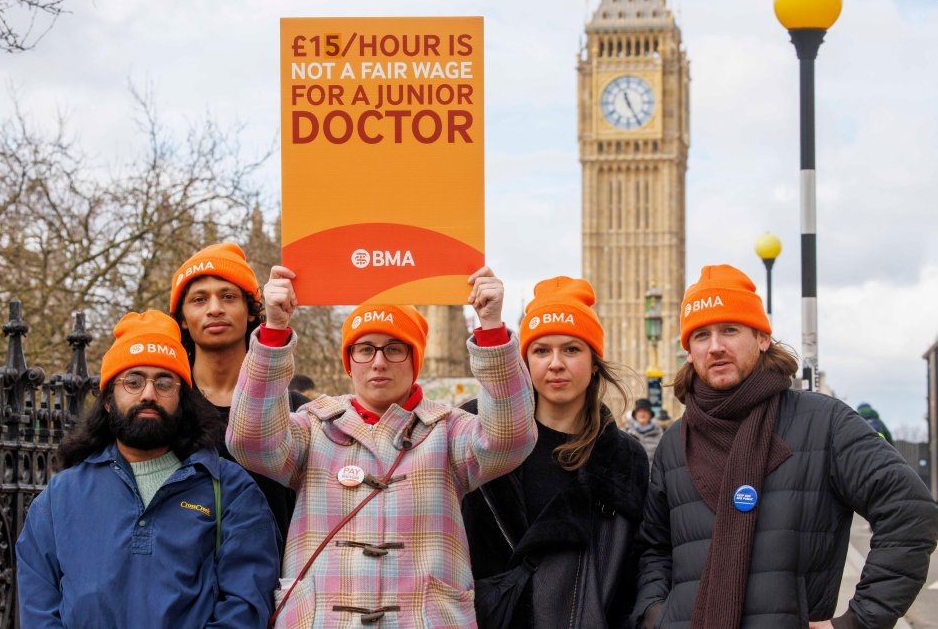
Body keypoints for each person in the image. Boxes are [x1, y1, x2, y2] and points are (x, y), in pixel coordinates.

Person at [226, 265, 537, 627]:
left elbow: (511, 438)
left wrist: (492, 331)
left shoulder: (450, 431)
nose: (378, 362)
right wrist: (274, 333)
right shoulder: (312, 429)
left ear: (415, 360)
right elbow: (249, 440)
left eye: (394, 349)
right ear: (348, 362)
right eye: (365, 349)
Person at [634, 265, 938, 629]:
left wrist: (858, 622)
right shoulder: (674, 443)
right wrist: (655, 614)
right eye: (701, 335)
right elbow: (654, 548)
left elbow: (910, 513)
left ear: (762, 338)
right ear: (689, 351)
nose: (715, 346)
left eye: (730, 329)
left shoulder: (823, 422)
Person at [16, 310, 279, 627]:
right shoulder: (61, 497)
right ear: (109, 400)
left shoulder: (230, 490)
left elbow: (246, 606)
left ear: (182, 400)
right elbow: (39, 609)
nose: (149, 394)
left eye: (165, 382)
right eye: (133, 381)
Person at [462, 276, 649, 628]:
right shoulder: (475, 426)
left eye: (572, 349)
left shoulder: (625, 458)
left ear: (594, 363)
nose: (556, 363)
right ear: (525, 361)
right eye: (542, 350)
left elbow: (630, 573)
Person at [171, 242, 308, 549]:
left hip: (272, 586)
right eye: (199, 299)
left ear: (250, 312)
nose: (215, 308)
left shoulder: (297, 411)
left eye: (228, 296)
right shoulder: (166, 408)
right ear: (181, 318)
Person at [627, 397, 663, 464]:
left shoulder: (659, 434)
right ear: (635, 414)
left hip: (652, 473)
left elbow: (663, 457)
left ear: (650, 415)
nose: (642, 414)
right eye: (639, 411)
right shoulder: (626, 433)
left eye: (645, 411)